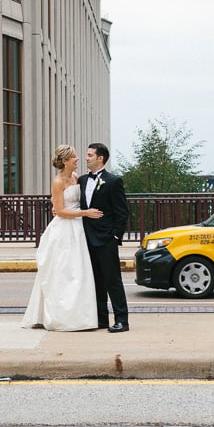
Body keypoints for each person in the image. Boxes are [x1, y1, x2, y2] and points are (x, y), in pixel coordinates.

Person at [22, 145, 103, 331]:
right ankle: (61, 316)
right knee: (62, 273)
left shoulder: (76, 178)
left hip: (78, 228)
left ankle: (80, 316)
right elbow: (59, 210)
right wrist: (85, 213)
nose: (77, 159)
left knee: (79, 272)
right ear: (65, 161)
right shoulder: (58, 181)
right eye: (74, 157)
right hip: (65, 229)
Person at [79, 142, 130, 333]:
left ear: (100, 158)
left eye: (90, 155)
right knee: (95, 282)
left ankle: (122, 320)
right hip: (86, 239)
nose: (86, 158)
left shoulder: (114, 181)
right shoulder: (82, 180)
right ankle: (101, 319)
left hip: (106, 239)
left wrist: (115, 236)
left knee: (112, 281)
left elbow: (122, 212)